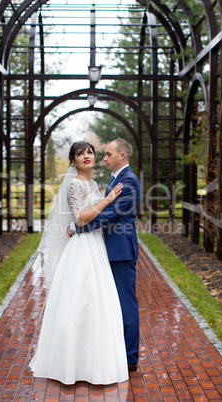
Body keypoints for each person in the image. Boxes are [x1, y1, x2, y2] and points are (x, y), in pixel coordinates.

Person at [29, 141, 129, 385]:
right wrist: (107, 200)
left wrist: (105, 198)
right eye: (80, 153)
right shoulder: (74, 184)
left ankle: (93, 361)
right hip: (83, 247)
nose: (87, 156)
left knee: (97, 301)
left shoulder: (93, 183)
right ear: (73, 161)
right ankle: (70, 364)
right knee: (80, 300)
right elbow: (81, 219)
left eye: (90, 152)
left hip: (97, 245)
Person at [74, 138, 142, 373]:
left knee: (126, 304)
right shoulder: (115, 179)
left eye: (108, 154)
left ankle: (130, 358)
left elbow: (111, 214)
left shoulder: (129, 181)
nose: (103, 158)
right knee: (112, 303)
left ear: (122, 156)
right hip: (109, 248)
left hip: (121, 250)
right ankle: (116, 351)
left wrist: (78, 227)